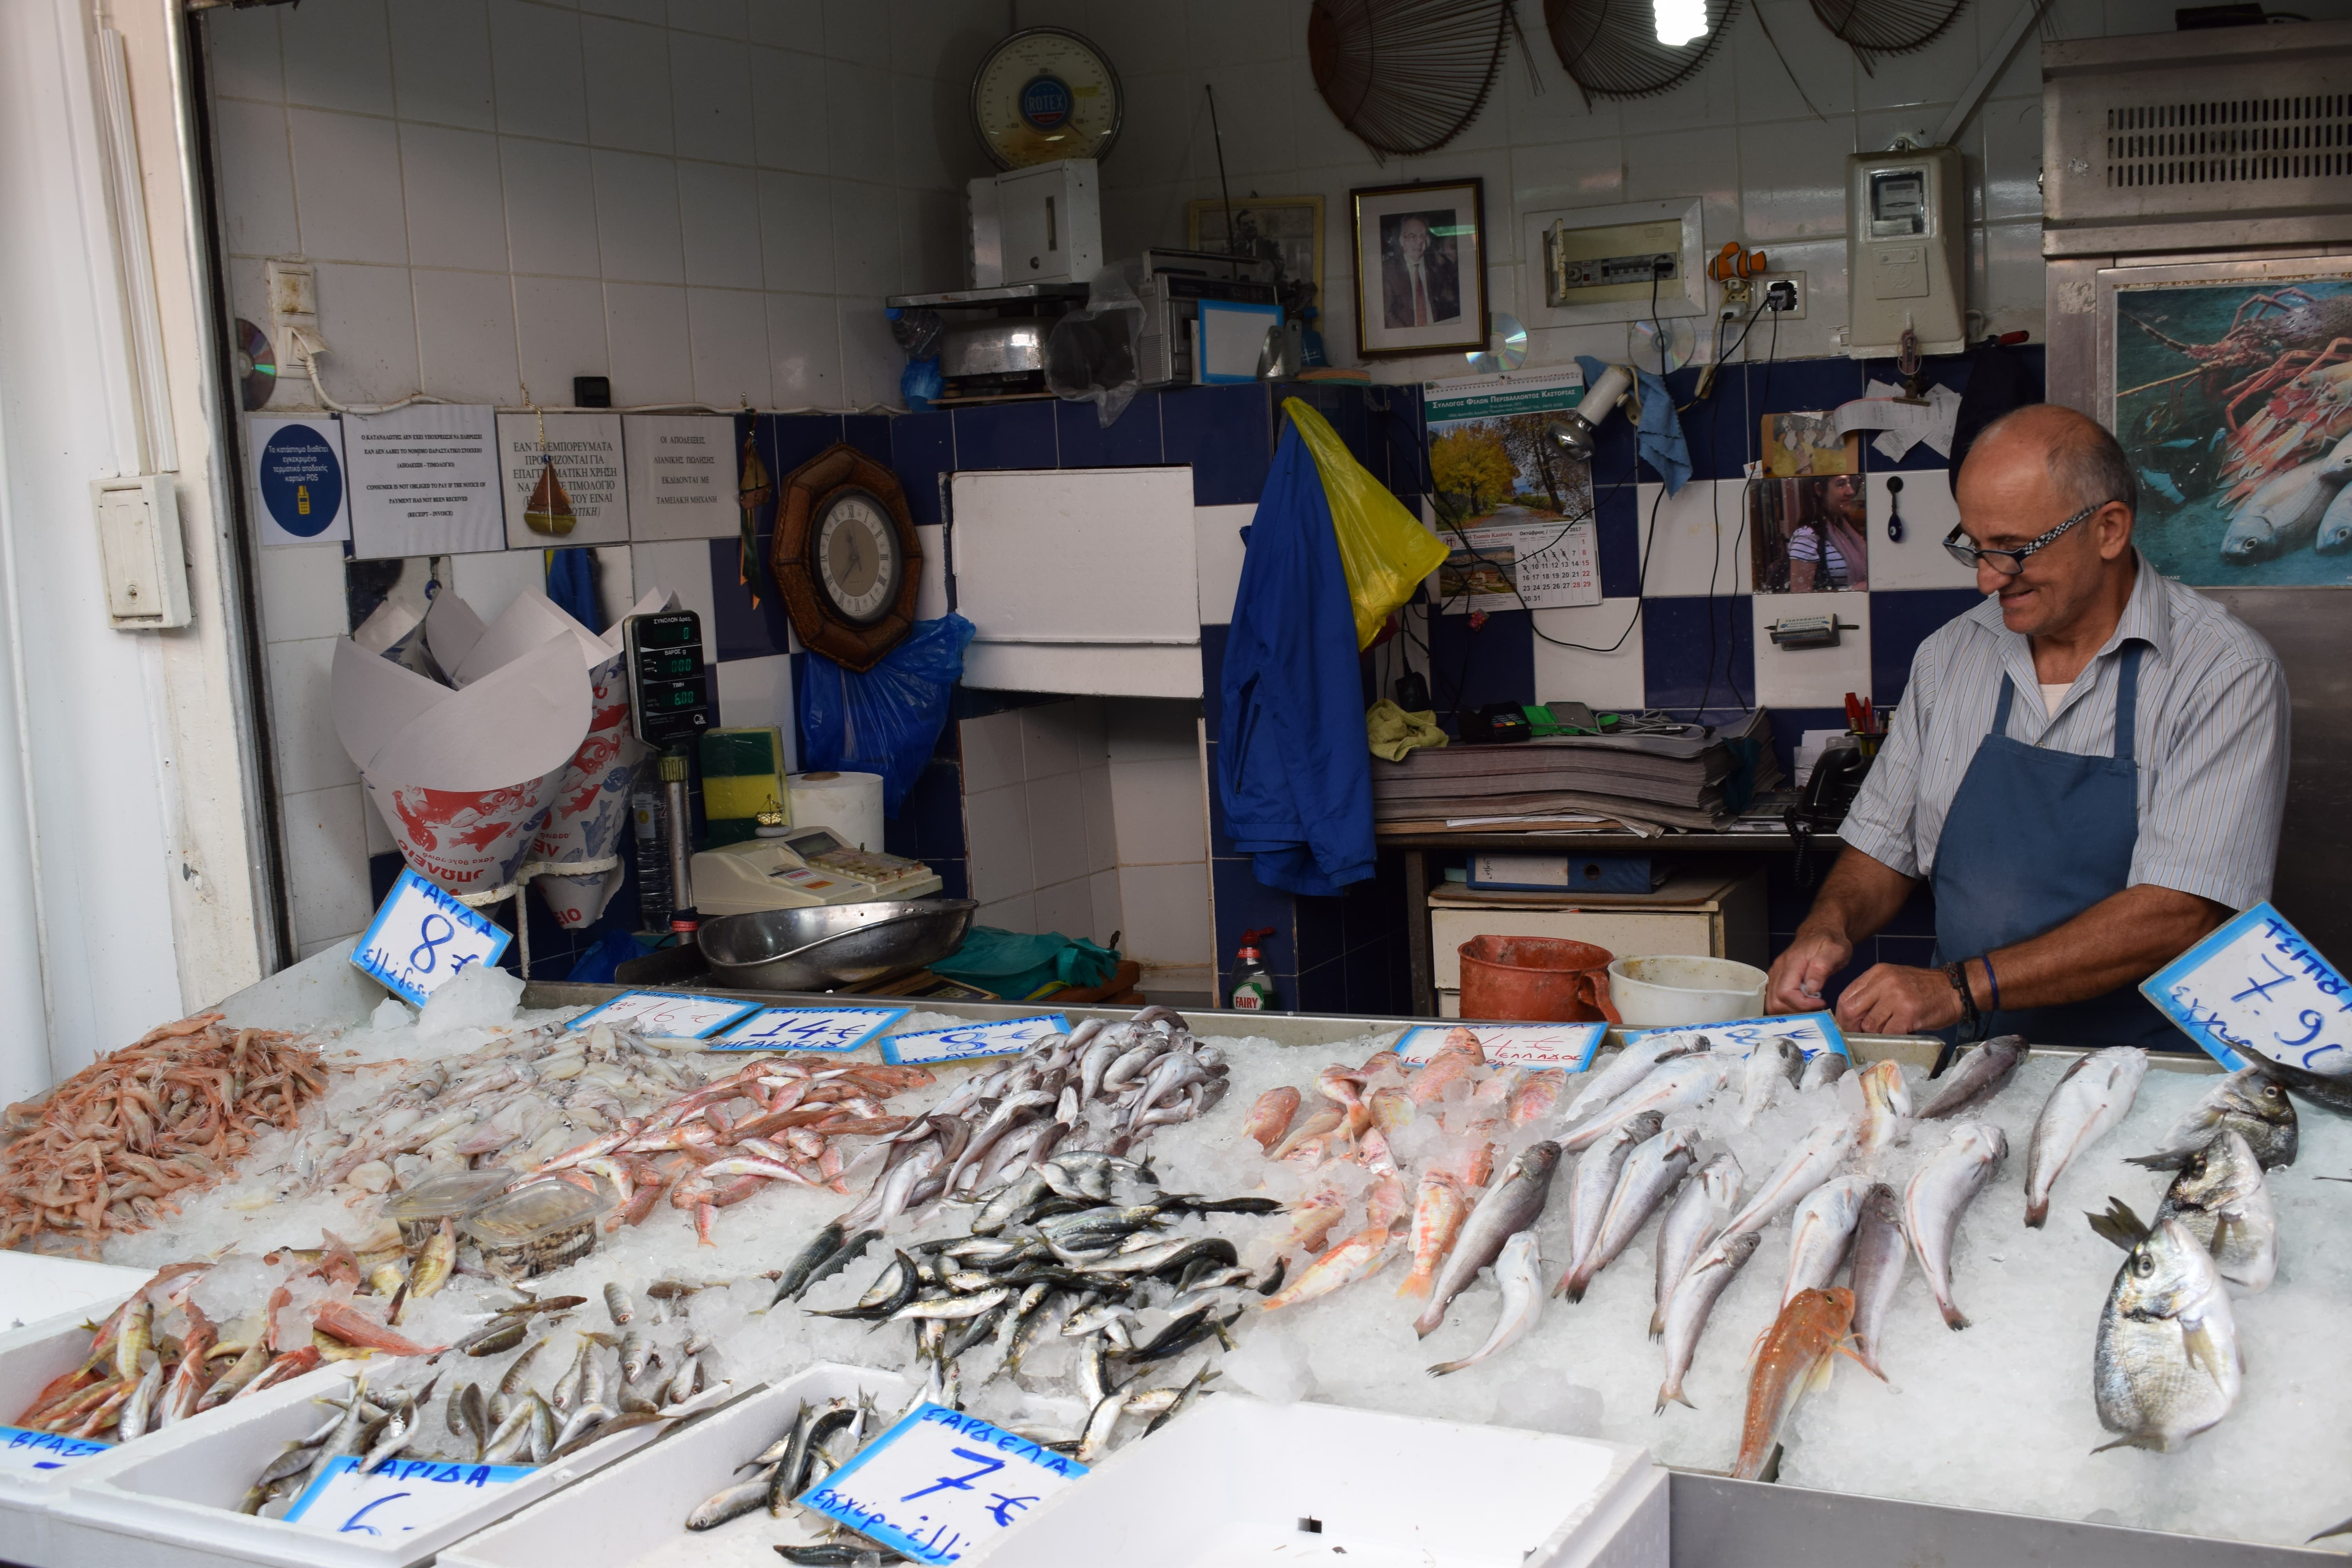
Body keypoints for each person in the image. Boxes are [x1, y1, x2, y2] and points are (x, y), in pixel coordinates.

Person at [1765, 404, 2289, 1045]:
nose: (1988, 579)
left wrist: (1956, 988)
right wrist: (1829, 925)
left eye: (2014, 551)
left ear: (2109, 530)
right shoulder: (1952, 655)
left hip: (2148, 1066)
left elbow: (2179, 912)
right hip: (1974, 1052)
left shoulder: (2221, 670)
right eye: (1975, 548)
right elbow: (1883, 843)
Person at [1383, 213, 1460, 329]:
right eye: (1413, 236)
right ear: (1402, 240)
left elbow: (1448, 304)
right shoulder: (1388, 270)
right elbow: (1387, 313)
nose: (1419, 242)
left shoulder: (1438, 267)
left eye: (1422, 236)